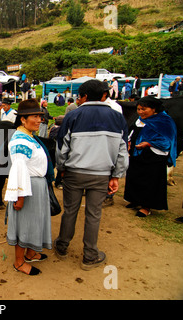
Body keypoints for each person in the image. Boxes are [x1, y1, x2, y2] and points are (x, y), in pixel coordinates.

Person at [54, 79, 129, 270]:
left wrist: (61, 169)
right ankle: (90, 256)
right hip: (102, 174)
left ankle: (62, 246)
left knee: (70, 210)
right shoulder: (117, 117)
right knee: (94, 214)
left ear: (84, 96)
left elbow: (62, 148)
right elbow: (122, 149)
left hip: (74, 173)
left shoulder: (73, 116)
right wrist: (116, 175)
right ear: (104, 95)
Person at [4, 99, 52, 276]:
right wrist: (20, 196)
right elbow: (18, 168)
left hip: (36, 186)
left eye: (40, 116)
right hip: (27, 187)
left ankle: (31, 252)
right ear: (23, 119)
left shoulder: (28, 136)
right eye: (35, 116)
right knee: (24, 224)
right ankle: (19, 262)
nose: (40, 120)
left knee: (34, 222)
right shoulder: (20, 141)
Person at [123, 96, 177, 217]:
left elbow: (167, 141)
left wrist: (148, 143)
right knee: (135, 177)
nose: (140, 112)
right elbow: (132, 132)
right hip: (137, 154)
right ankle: (135, 200)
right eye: (138, 109)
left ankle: (146, 206)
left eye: (144, 109)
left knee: (150, 181)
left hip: (154, 157)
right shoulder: (140, 119)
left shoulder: (164, 121)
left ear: (154, 109)